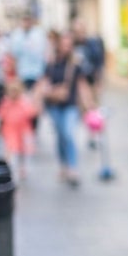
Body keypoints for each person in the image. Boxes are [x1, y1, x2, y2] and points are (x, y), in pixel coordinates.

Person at [34, 31, 95, 187]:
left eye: (69, 44)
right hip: (54, 106)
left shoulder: (76, 64)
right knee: (61, 136)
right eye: (64, 44)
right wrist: (39, 98)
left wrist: (90, 105)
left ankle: (72, 167)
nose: (67, 47)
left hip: (70, 105)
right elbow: (43, 82)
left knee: (68, 134)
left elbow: (82, 85)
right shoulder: (51, 63)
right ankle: (63, 164)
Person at [0, 78, 40, 180]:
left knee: (25, 151)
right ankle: (12, 173)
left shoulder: (24, 102)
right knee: (11, 154)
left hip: (23, 131)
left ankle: (24, 168)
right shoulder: (5, 103)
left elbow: (32, 113)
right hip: (10, 132)